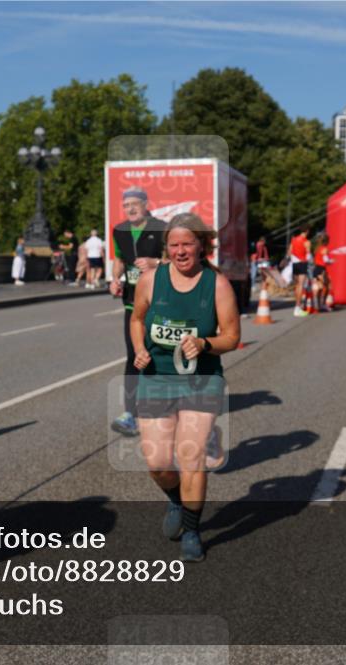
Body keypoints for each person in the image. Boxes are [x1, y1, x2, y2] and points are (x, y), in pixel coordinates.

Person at [131, 213, 240, 563]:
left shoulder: (217, 284)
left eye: (187, 244)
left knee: (191, 457)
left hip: (200, 380)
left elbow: (232, 337)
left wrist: (205, 344)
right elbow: (136, 320)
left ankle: (192, 530)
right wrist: (140, 349)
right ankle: (176, 499)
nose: (180, 251)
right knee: (158, 462)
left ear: (201, 245)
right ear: (167, 248)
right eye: (174, 244)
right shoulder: (150, 280)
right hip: (157, 378)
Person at [109, 187, 166, 437]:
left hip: (161, 304)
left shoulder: (162, 228)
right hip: (133, 304)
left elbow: (178, 258)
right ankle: (130, 413)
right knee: (134, 355)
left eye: (135, 204)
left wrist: (155, 263)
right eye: (126, 205)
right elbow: (119, 260)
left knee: (161, 354)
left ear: (145, 204)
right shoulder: (119, 231)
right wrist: (114, 278)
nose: (130, 209)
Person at [290, 226, 312, 317]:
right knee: (300, 285)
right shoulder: (307, 242)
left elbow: (290, 251)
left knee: (297, 285)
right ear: (306, 231)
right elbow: (308, 255)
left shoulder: (294, 239)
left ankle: (297, 306)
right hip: (302, 262)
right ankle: (297, 308)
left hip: (294, 263)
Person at [311, 234, 333, 312]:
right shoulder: (324, 249)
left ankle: (317, 304)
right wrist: (332, 261)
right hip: (321, 269)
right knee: (326, 286)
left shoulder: (317, 248)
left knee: (320, 287)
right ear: (327, 241)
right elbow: (326, 260)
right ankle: (320, 304)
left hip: (316, 268)